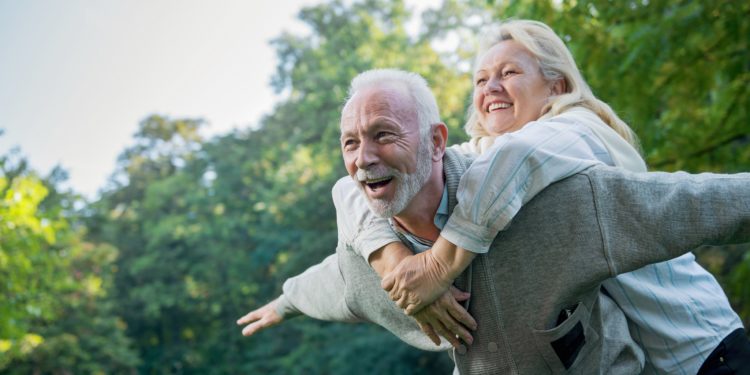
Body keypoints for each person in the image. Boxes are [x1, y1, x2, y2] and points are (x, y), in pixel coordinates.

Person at [238, 68, 750, 374]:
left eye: (383, 134)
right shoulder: (369, 262)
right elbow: (330, 283)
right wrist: (286, 299)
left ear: (437, 142)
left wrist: (440, 266)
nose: (363, 158)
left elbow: (692, 202)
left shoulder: (550, 205)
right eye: (350, 142)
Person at [356, 20, 749, 374]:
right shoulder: (488, 156)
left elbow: (516, 158)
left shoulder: (578, 128)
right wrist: (394, 263)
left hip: (705, 352)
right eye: (480, 80)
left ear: (555, 86)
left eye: (508, 73)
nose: (491, 87)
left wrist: (436, 269)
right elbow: (357, 187)